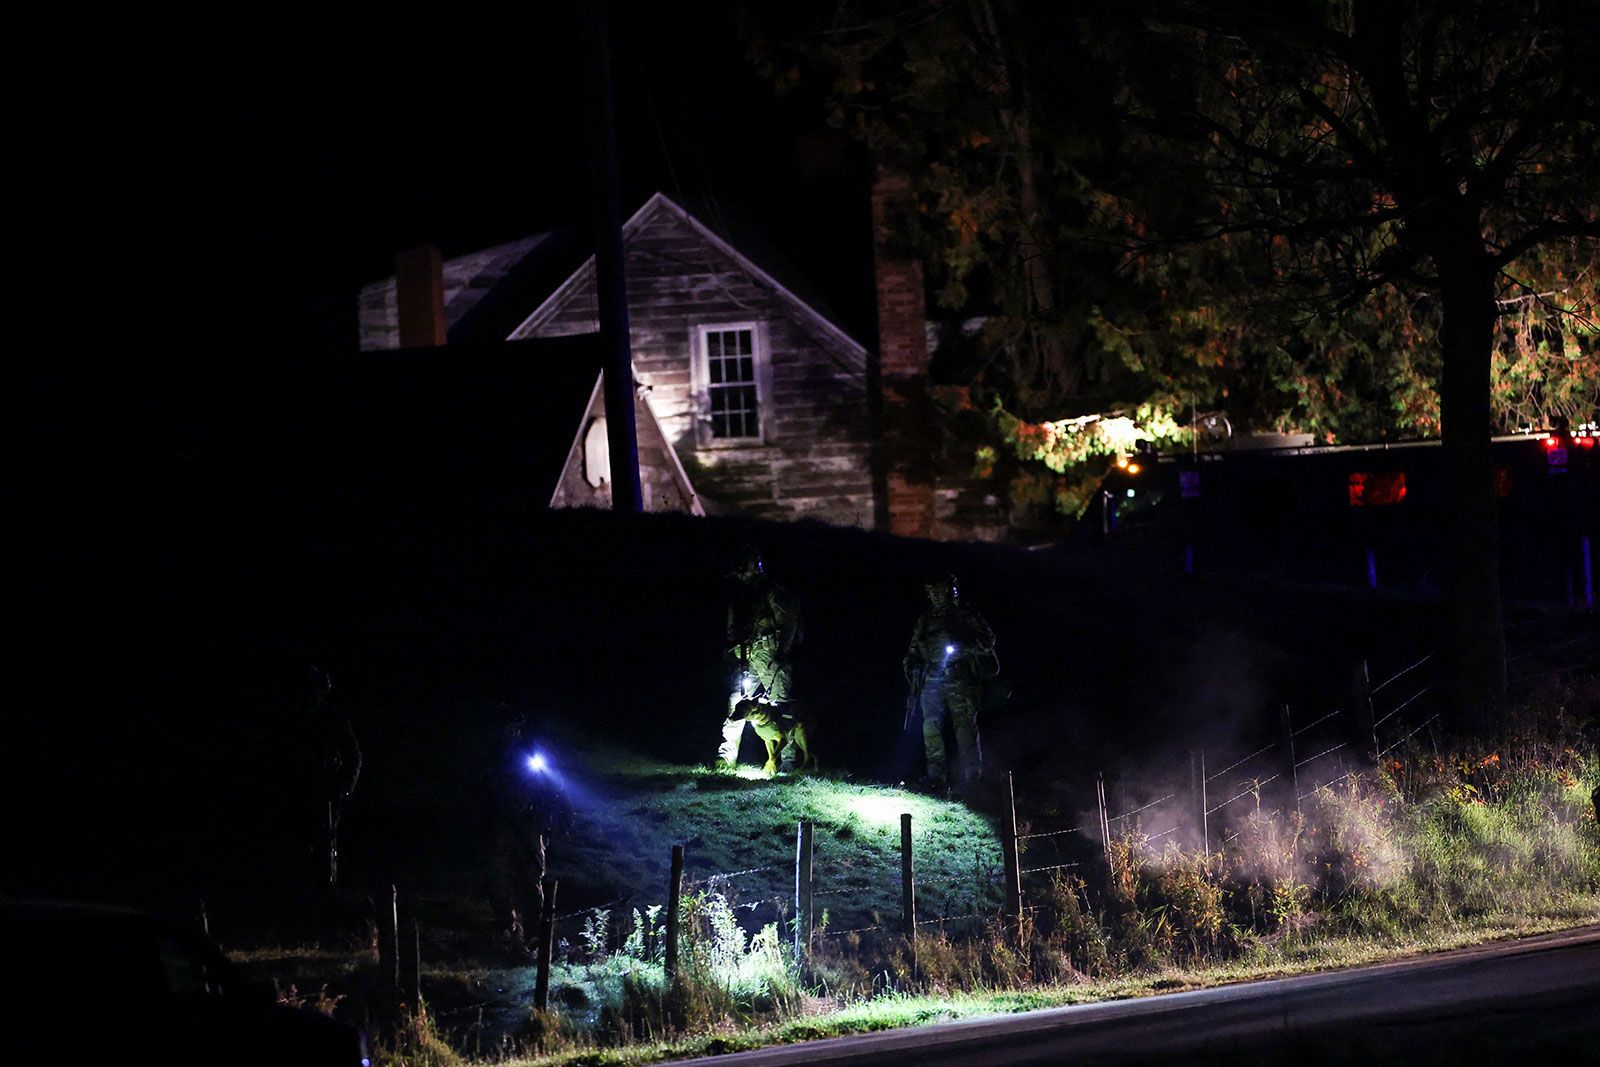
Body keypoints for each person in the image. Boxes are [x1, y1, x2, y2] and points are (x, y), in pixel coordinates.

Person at [482, 717, 572, 957]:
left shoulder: (531, 753)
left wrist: (559, 810)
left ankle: (535, 935)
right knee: (497, 878)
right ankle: (508, 930)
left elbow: (556, 784)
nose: (507, 734)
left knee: (531, 880)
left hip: (529, 826)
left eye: (510, 729)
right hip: (502, 825)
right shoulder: (492, 758)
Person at [903, 571, 996, 792]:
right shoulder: (925, 620)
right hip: (932, 679)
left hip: (959, 677)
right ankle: (937, 776)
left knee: (964, 726)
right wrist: (914, 669)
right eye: (931, 592)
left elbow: (988, 640)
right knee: (930, 726)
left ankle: (972, 776)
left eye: (939, 591)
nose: (935, 596)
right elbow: (913, 650)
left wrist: (966, 647)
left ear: (949, 591)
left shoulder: (964, 615)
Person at [721, 544, 802, 770]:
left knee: (781, 705)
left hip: (769, 655)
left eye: (744, 567)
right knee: (737, 700)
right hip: (746, 655)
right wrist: (731, 649)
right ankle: (727, 755)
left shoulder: (772, 592)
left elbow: (787, 621)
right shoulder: (738, 595)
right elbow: (732, 626)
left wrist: (781, 652)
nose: (741, 572)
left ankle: (786, 760)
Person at [303, 666, 361, 886]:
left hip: (325, 792)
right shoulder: (296, 720)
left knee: (325, 842)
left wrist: (343, 786)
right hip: (301, 791)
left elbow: (353, 757)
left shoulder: (333, 721)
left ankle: (327, 888)